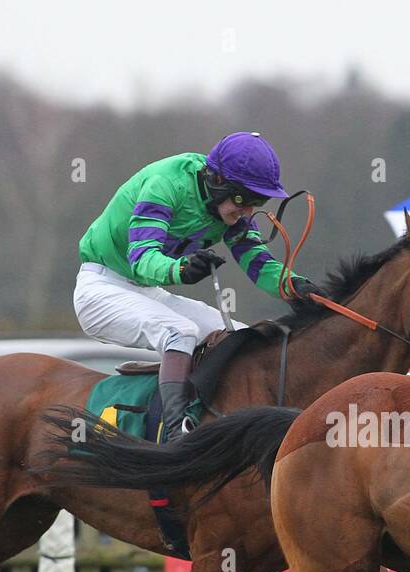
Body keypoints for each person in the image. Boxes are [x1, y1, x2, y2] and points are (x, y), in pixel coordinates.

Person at [74, 132, 322, 438]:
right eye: (243, 199)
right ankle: (178, 435)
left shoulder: (230, 209)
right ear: (217, 180)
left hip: (144, 292)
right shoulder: (165, 185)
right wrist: (183, 269)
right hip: (100, 289)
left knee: (242, 336)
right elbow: (142, 259)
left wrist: (298, 287)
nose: (246, 212)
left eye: (258, 202)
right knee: (180, 331)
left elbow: (259, 266)